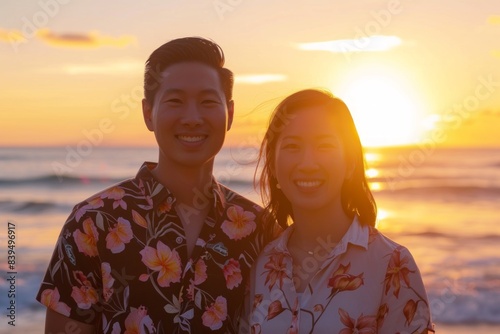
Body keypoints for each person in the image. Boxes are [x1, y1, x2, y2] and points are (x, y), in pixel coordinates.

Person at [36, 37, 277, 334]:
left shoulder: (259, 229)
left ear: (229, 113)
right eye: (175, 101)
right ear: (148, 113)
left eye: (207, 102)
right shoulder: (93, 223)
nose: (192, 118)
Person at [240, 89, 434, 333]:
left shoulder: (392, 265)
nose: (308, 163)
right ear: (274, 166)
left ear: (350, 163)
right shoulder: (261, 264)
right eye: (292, 146)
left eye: (325, 145)